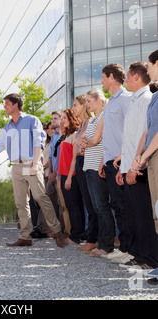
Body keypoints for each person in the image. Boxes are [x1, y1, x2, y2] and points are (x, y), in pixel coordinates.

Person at [0, 93, 66, 248]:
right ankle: (25, 236)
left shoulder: (31, 120)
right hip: (16, 167)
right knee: (21, 203)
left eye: (7, 103)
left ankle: (57, 231)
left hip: (31, 164)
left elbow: (39, 142)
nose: (4, 106)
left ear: (16, 105)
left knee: (41, 197)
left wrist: (36, 164)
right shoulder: (7, 128)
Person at [113, 62, 158, 271]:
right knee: (134, 214)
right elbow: (132, 136)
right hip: (132, 163)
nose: (126, 81)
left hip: (140, 165)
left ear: (136, 77)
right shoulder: (135, 100)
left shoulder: (147, 98)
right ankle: (140, 255)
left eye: (128, 77)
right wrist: (124, 162)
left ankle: (149, 258)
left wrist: (135, 165)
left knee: (144, 215)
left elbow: (146, 134)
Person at [98, 63, 132, 260]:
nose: (101, 81)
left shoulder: (126, 99)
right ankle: (125, 248)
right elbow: (109, 136)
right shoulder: (110, 102)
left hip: (122, 162)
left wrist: (121, 156)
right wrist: (104, 160)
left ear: (111, 77)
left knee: (125, 207)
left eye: (103, 77)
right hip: (110, 161)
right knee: (117, 206)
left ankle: (130, 249)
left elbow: (131, 131)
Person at [79, 88, 115, 258]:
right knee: (96, 207)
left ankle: (107, 245)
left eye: (89, 101)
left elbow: (94, 140)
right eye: (86, 101)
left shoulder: (104, 116)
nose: (87, 104)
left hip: (96, 166)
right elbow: (83, 140)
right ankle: (101, 243)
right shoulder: (92, 120)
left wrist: (84, 144)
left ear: (99, 100)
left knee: (102, 207)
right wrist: (84, 143)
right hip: (88, 166)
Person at [133, 50, 158, 235]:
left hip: (154, 155)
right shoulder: (155, 96)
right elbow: (148, 130)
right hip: (151, 157)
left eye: (149, 66)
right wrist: (139, 155)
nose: (148, 72)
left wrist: (143, 156)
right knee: (156, 210)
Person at [71, 95, 98, 252]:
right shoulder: (81, 125)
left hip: (89, 161)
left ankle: (94, 238)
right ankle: (93, 237)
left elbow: (84, 146)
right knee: (88, 203)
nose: (73, 108)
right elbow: (77, 148)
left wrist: (80, 146)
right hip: (80, 163)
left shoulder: (91, 122)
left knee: (93, 203)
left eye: (76, 105)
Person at [58, 109, 85, 245]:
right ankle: (75, 233)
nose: (62, 120)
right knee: (69, 206)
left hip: (71, 175)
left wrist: (69, 178)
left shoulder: (75, 135)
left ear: (72, 119)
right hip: (63, 175)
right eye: (62, 118)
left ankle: (76, 236)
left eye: (65, 118)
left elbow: (74, 158)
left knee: (74, 206)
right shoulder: (65, 136)